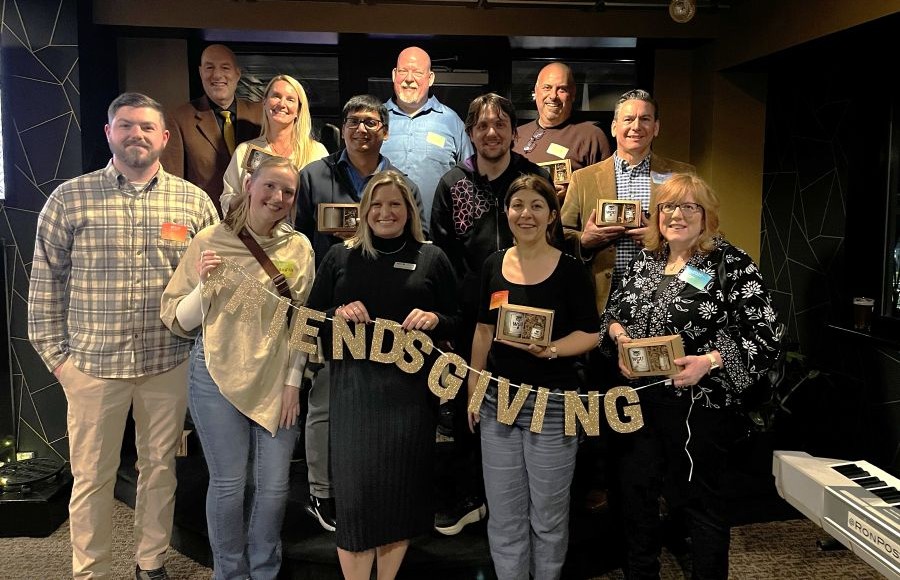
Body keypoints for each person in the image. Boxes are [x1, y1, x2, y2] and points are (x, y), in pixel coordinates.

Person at [27, 92, 219, 580]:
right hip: (92, 367)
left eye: (147, 127)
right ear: (109, 132)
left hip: (168, 363)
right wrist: (60, 363)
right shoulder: (69, 199)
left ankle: (150, 562)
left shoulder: (194, 202)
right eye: (127, 125)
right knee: (91, 479)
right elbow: (44, 287)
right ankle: (91, 571)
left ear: (164, 137)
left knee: (160, 471)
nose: (137, 134)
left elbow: (212, 286)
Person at [603, 173, 782, 579]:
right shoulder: (644, 260)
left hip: (699, 408)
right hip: (639, 404)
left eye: (689, 206)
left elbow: (767, 337)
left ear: (707, 216)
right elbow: (610, 315)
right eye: (668, 206)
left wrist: (710, 361)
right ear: (657, 215)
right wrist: (620, 338)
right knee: (637, 498)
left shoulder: (730, 263)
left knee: (702, 506)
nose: (677, 215)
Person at [159, 156, 313, 580]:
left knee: (274, 489)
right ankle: (229, 572)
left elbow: (303, 323)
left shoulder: (299, 248)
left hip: (277, 381)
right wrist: (206, 288)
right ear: (250, 184)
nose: (278, 198)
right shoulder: (210, 239)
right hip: (215, 376)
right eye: (270, 186)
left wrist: (292, 384)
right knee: (228, 486)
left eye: (288, 192)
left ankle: (264, 570)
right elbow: (180, 319)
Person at [306, 169, 459, 580]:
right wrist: (336, 315)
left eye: (395, 204)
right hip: (354, 396)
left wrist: (435, 319)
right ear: (364, 210)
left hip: (411, 399)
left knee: (400, 498)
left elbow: (460, 320)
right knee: (355, 503)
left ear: (409, 209)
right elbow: (306, 322)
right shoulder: (340, 256)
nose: (385, 212)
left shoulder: (433, 257)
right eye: (376, 203)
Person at [295, 95, 425, 532]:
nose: (361, 129)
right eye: (353, 120)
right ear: (343, 127)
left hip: (390, 321)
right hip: (333, 309)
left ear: (385, 130)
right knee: (325, 404)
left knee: (378, 412)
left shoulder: (400, 182)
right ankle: (322, 492)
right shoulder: (312, 177)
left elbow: (415, 242)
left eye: (371, 121)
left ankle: (374, 486)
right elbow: (293, 242)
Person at [467, 174, 600, 580]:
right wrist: (474, 391)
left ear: (552, 215)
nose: (526, 214)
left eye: (537, 206)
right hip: (498, 403)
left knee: (548, 517)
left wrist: (553, 349)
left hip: (554, 406)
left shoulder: (571, 270)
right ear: (506, 212)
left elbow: (591, 333)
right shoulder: (493, 264)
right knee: (504, 516)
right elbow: (483, 331)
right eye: (518, 204)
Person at [430, 92, 551, 535]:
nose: (492, 132)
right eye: (482, 125)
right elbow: (442, 257)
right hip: (469, 320)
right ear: (470, 133)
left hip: (528, 313)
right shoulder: (452, 184)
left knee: (524, 406)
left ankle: (519, 500)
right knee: (469, 406)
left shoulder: (533, 179)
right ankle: (470, 497)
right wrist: (449, 317)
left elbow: (550, 241)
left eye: (500, 124)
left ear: (514, 133)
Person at [561, 89, 694, 315]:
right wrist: (584, 240)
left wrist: (659, 239)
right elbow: (560, 233)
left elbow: (705, 233)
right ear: (614, 127)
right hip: (599, 298)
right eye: (628, 119)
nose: (636, 126)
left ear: (656, 127)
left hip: (663, 297)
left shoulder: (683, 176)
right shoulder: (583, 179)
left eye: (645, 119)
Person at [161, 44, 262, 216]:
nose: (217, 75)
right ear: (200, 72)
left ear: (237, 74)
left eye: (225, 67)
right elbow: (172, 183)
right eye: (209, 67)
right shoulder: (179, 118)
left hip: (256, 222)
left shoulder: (260, 115)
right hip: (205, 223)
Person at [380, 46, 474, 229]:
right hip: (381, 232)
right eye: (403, 71)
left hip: (436, 235)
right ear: (393, 74)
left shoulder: (451, 122)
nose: (408, 79)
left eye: (417, 72)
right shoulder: (375, 119)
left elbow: (469, 180)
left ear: (430, 78)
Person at [221, 74, 328, 212]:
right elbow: (226, 200)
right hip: (253, 232)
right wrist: (251, 194)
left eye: (290, 99)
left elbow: (326, 200)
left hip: (301, 232)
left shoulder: (317, 152)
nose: (282, 104)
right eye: (276, 96)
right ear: (264, 102)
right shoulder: (244, 151)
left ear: (299, 110)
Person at [513, 62, 611, 201]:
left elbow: (606, 192)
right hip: (519, 220)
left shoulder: (591, 135)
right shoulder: (516, 134)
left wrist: (573, 191)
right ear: (536, 91)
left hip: (565, 222)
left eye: (562, 89)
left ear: (573, 94)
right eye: (547, 87)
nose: (553, 96)